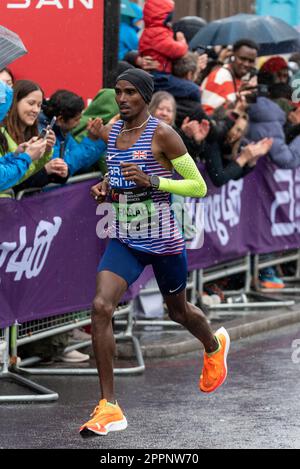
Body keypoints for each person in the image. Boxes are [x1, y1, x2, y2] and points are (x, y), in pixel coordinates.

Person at [79, 68, 230, 437]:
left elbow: (197, 186)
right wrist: (104, 188)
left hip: (163, 241)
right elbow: (116, 176)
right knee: (101, 307)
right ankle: (109, 407)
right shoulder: (114, 131)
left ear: (145, 96)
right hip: (125, 239)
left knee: (178, 311)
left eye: (131, 92)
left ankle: (214, 345)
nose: (123, 99)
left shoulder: (163, 135)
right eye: (119, 92)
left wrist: (154, 181)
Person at [0, 80, 57, 196]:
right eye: (31, 103)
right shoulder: (2, 134)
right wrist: (27, 157)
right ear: (14, 102)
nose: (36, 110)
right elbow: (6, 178)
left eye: (39, 105)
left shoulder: (31, 132)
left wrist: (17, 155)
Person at [201, 39, 259, 115]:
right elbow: (207, 115)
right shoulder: (221, 77)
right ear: (232, 55)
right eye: (242, 59)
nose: (246, 64)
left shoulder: (237, 79)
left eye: (251, 61)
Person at [139, 0, 188, 74]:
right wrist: (182, 42)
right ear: (162, 15)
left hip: (156, 71)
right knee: (187, 86)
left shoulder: (152, 30)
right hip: (158, 73)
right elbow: (176, 50)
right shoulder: (157, 32)